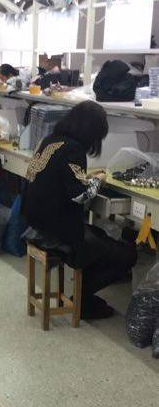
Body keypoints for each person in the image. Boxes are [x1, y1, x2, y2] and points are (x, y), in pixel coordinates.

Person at [22, 100, 137, 320]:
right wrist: (98, 180)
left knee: (101, 237)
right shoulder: (73, 149)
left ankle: (83, 297)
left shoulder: (50, 141)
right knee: (127, 255)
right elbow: (80, 196)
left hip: (36, 223)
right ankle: (82, 300)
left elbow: (60, 180)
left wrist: (85, 179)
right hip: (57, 233)